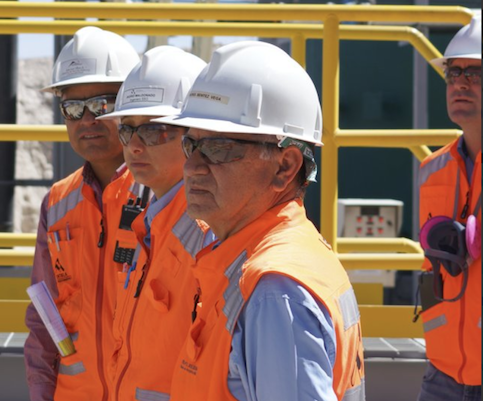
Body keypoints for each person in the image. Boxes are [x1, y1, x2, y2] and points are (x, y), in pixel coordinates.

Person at [154, 41, 366, 401]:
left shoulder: (275, 292)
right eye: (191, 145)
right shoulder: (260, 261)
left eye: (219, 148)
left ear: (285, 166)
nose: (192, 167)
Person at [23, 26, 140, 401]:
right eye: (73, 108)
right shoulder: (57, 203)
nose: (87, 119)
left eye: (103, 105)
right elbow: (44, 318)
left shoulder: (165, 197)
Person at [95, 45, 210, 401]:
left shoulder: (208, 231)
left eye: (154, 131)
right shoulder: (152, 220)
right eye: (127, 130)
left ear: (195, 135)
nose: (134, 146)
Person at [415, 15, 481, 401]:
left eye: (475, 74)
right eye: (454, 73)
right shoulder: (432, 169)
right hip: (443, 373)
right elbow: (431, 267)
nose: (460, 83)